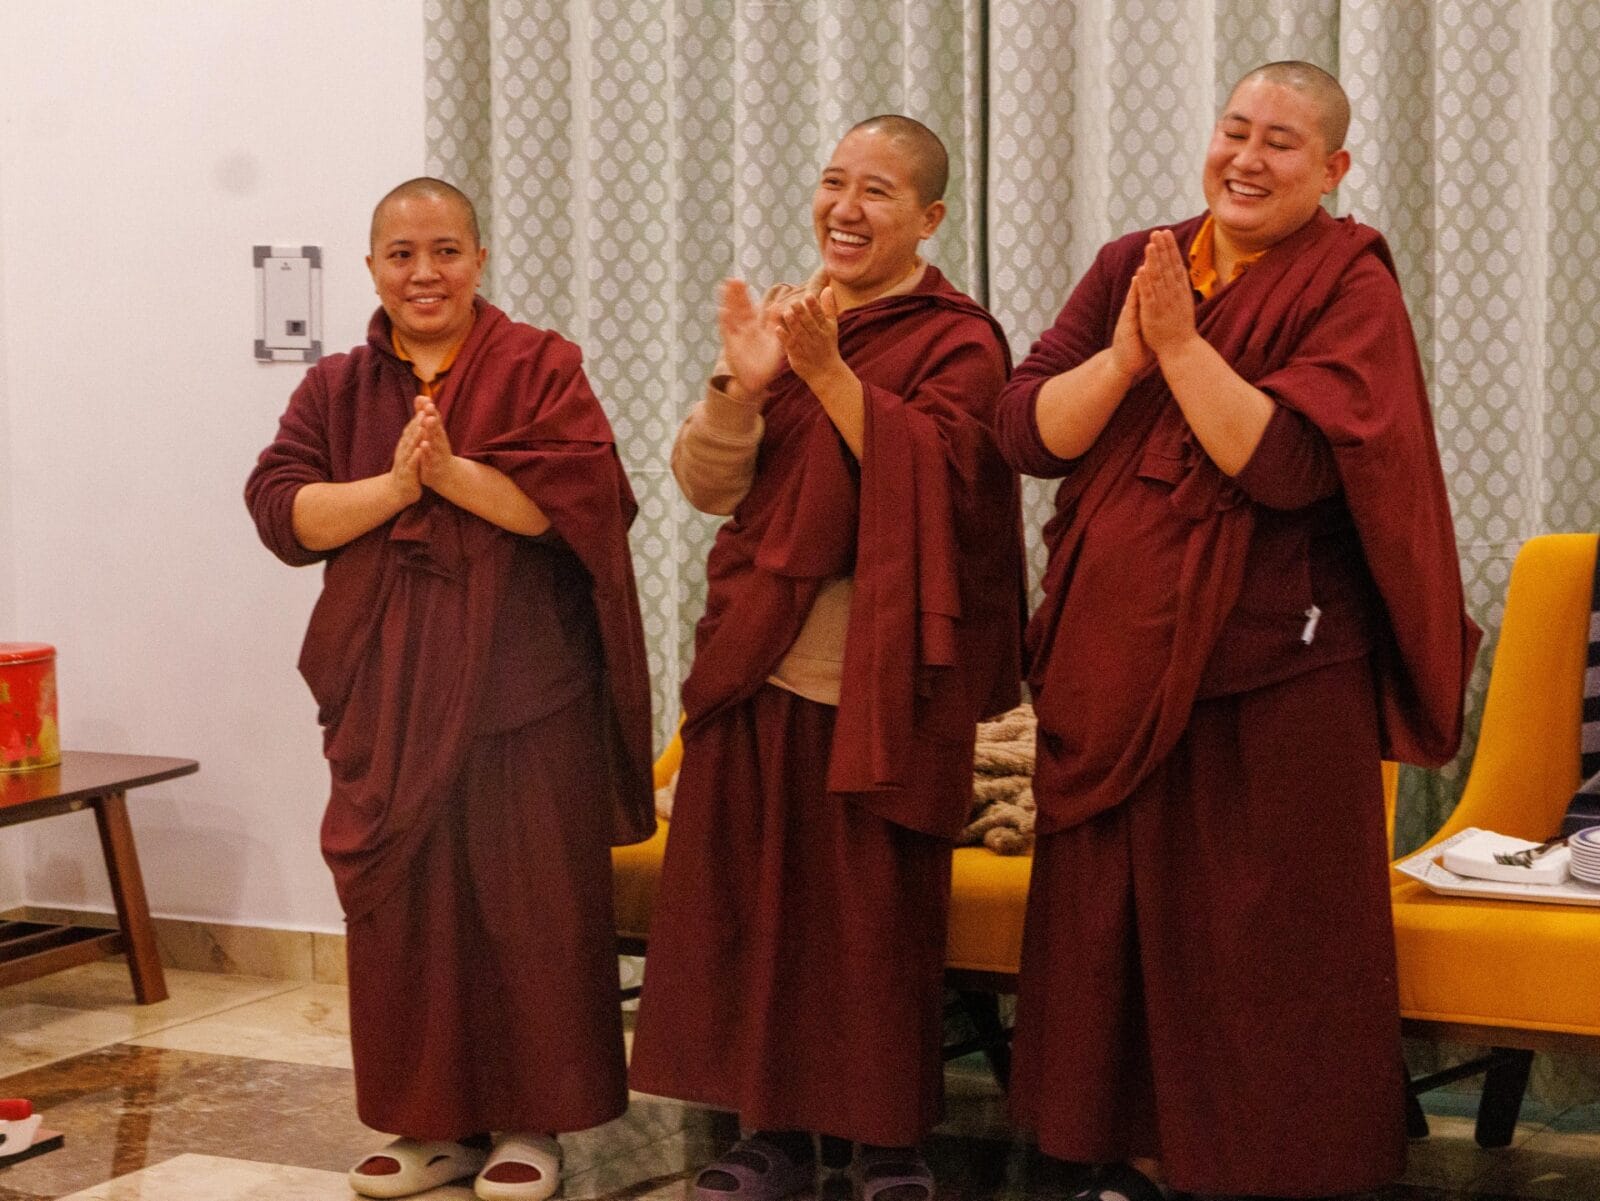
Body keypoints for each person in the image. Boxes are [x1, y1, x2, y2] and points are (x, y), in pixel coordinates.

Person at [994, 62, 1481, 1201]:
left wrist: (1181, 349)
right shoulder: (1138, 262)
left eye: (1281, 143)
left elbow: (1290, 464)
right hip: (1113, 656)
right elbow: (1022, 430)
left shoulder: (1347, 282)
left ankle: (1268, 1167)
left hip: (1274, 666)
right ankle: (1129, 1155)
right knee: (1117, 919)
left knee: (1261, 932)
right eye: (1235, 131)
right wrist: (1127, 352)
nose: (1247, 160)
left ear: (1332, 168)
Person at [628, 116, 1025, 1201]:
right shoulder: (791, 318)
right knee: (757, 914)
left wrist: (829, 374)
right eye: (833, 183)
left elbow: (947, 485)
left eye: (878, 192)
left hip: (881, 676)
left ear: (928, 219)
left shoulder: (958, 341)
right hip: (758, 658)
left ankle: (885, 1142)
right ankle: (771, 1134)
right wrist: (744, 384)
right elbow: (707, 486)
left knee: (870, 921)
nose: (845, 209)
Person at [245, 177, 655, 1201]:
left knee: (531, 907)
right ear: (372, 266)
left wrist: (450, 473)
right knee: (408, 915)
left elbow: (580, 505)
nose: (423, 273)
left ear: (478, 259)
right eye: (401, 254)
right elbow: (282, 510)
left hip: (523, 692)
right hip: (386, 694)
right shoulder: (337, 388)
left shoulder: (539, 365)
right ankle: (429, 1123)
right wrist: (394, 485)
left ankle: (529, 1123)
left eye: (444, 251)